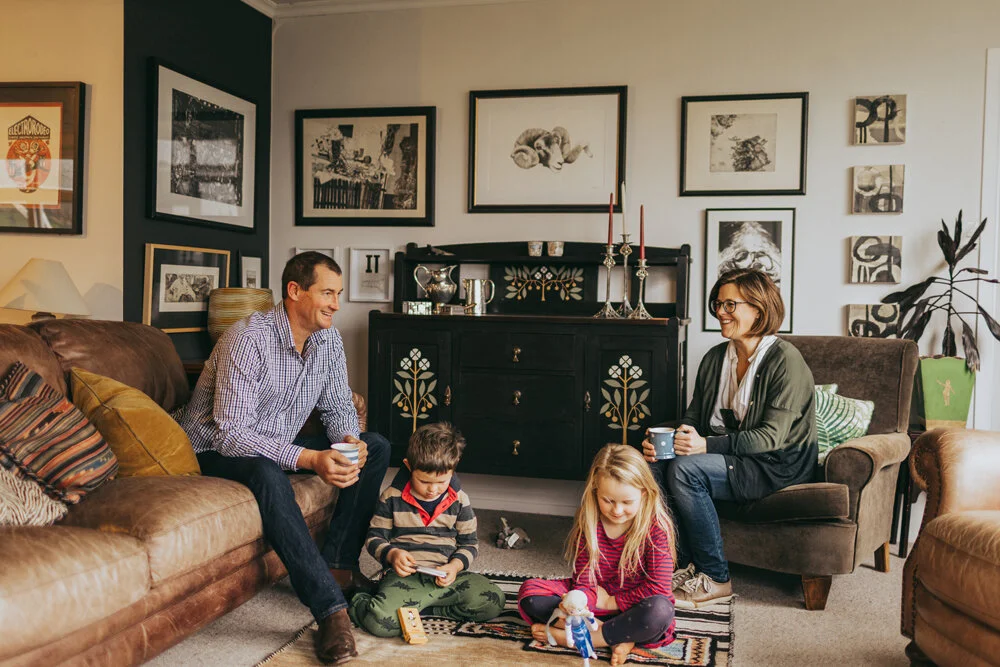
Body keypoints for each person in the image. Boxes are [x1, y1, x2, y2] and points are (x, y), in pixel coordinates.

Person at [181, 251, 390, 664]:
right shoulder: (247, 339)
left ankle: (338, 566)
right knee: (265, 472)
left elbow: (336, 406)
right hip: (212, 449)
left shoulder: (328, 339)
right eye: (327, 293)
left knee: (378, 444)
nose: (336, 303)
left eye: (339, 294)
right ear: (295, 291)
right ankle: (330, 611)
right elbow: (233, 434)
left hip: (267, 443)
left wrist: (350, 440)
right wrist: (311, 459)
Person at [643, 268, 817, 609]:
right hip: (734, 457)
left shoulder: (785, 360)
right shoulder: (713, 359)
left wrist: (705, 446)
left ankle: (717, 577)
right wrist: (665, 443)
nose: (720, 311)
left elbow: (772, 437)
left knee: (684, 471)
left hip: (776, 464)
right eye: (717, 303)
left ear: (758, 309)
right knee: (653, 467)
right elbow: (693, 419)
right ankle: (684, 566)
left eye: (729, 304)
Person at [518, 444, 676, 667]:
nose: (617, 510)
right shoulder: (589, 523)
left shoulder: (657, 528)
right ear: (596, 492)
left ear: (644, 493)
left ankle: (584, 639)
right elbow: (584, 581)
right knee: (530, 594)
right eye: (608, 500)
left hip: (637, 607)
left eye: (627, 502)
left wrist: (613, 601)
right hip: (595, 607)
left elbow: (659, 588)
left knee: (660, 612)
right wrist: (577, 605)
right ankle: (618, 636)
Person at [349, 422, 505, 636]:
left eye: (441, 481)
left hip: (446, 579)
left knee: (493, 600)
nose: (433, 490)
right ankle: (361, 600)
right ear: (408, 466)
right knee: (381, 623)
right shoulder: (391, 497)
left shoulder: (460, 500)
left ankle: (420, 608)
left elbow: (469, 544)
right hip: (405, 579)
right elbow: (375, 538)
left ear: (454, 468)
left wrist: (455, 567)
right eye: (424, 481)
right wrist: (392, 554)